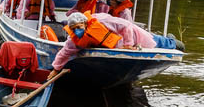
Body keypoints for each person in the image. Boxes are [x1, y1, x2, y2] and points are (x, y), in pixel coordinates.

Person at [48, 12, 179, 76]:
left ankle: (172, 40)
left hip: (134, 36)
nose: (77, 31)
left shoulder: (102, 21)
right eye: (74, 28)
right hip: (117, 45)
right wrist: (55, 70)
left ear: (86, 24)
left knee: (162, 43)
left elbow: (126, 25)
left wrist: (129, 45)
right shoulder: (74, 38)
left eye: (79, 27)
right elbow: (64, 53)